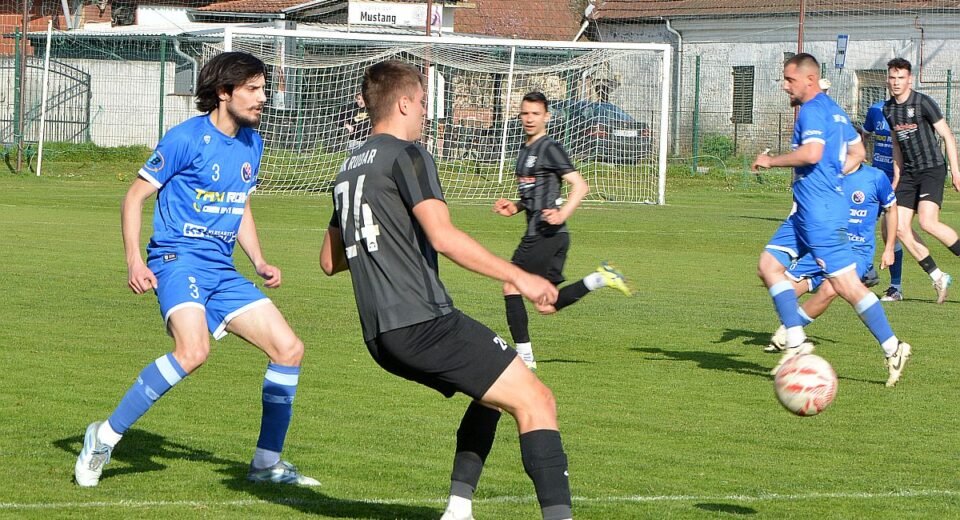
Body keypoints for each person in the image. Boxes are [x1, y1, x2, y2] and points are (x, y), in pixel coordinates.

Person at [319, 60, 573, 520]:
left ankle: (458, 509)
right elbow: (444, 238)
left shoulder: (348, 169)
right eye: (422, 102)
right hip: (423, 321)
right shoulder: (408, 155)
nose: (425, 112)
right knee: (538, 400)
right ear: (403, 103)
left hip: (379, 335)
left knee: (493, 389)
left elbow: (329, 261)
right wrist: (520, 277)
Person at [74, 52, 318, 487]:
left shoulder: (253, 143)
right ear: (224, 92)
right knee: (193, 351)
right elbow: (134, 198)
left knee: (289, 349)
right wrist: (134, 260)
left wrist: (259, 260)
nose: (263, 98)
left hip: (221, 270)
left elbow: (239, 204)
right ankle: (104, 437)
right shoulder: (185, 138)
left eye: (263, 89)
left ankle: (266, 463)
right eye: (253, 89)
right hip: (177, 259)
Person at [752, 53, 911, 387]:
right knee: (768, 265)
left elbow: (811, 153)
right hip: (807, 210)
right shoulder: (836, 111)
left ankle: (893, 347)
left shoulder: (811, 110)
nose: (785, 86)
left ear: (809, 79)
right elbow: (858, 152)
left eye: (790, 80)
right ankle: (795, 339)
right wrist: (834, 177)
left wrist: (771, 161)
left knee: (846, 286)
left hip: (820, 213)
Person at [493, 91, 632, 370]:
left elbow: (580, 186)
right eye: (525, 113)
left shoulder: (549, 148)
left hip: (544, 234)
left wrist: (562, 214)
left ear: (546, 116)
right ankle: (600, 278)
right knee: (546, 305)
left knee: (511, 285)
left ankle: (525, 359)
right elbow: (535, 194)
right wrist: (516, 206)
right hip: (553, 236)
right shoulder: (525, 150)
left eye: (535, 114)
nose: (529, 118)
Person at [766, 161, 897, 352]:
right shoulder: (827, 175)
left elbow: (892, 209)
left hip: (857, 250)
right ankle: (793, 329)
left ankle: (790, 333)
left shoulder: (876, 177)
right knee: (783, 289)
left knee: (830, 288)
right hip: (825, 245)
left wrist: (889, 248)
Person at [883, 57, 960, 304]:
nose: (896, 82)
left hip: (931, 169)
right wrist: (897, 174)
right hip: (908, 174)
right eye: (892, 77)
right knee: (898, 227)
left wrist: (956, 172)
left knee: (927, 222)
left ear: (910, 79)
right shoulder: (888, 109)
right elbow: (896, 144)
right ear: (888, 79)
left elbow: (947, 136)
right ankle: (938, 277)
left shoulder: (923, 102)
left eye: (901, 78)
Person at [862, 98, 909, 301]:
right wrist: (861, 155)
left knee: (891, 231)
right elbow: (864, 134)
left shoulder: (909, 112)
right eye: (891, 81)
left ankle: (895, 287)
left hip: (899, 180)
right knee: (861, 223)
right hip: (876, 178)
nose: (894, 84)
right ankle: (865, 271)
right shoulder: (875, 110)